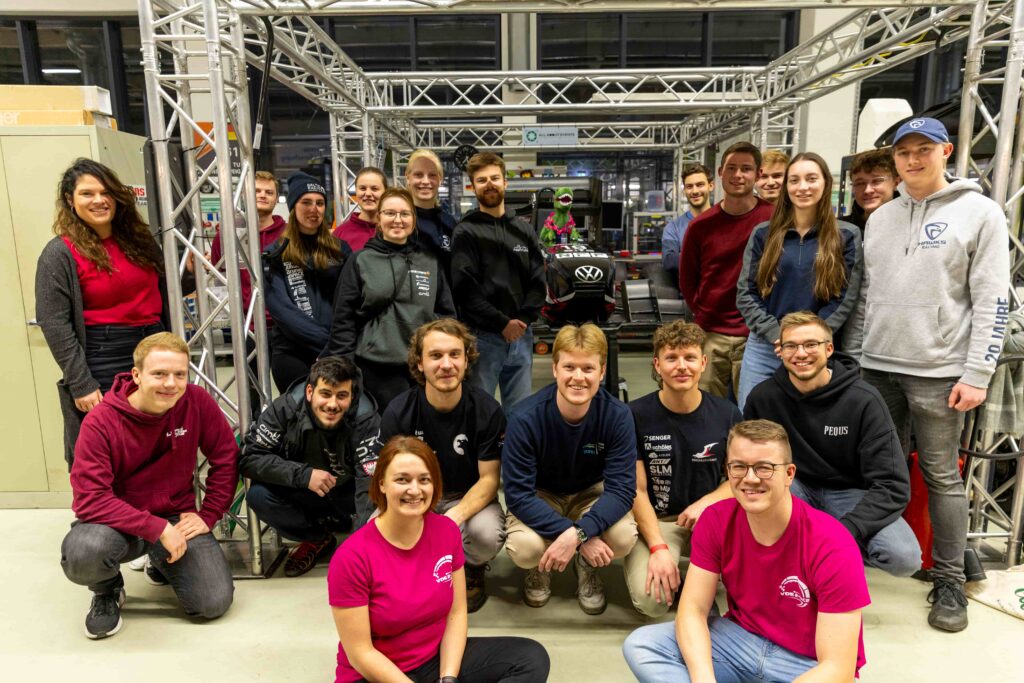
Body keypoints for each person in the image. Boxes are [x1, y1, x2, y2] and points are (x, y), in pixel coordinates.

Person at [846, 116, 1011, 632]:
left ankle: (949, 581)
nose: (912, 159)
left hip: (940, 372)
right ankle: (879, 560)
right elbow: (869, 297)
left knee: (941, 475)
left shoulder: (980, 213)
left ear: (947, 151)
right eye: (902, 152)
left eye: (923, 149)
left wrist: (978, 372)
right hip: (878, 367)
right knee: (879, 472)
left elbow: (992, 301)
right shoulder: (882, 218)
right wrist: (858, 357)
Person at [623, 420, 870, 682]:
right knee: (642, 645)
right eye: (739, 466)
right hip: (741, 642)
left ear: (789, 474)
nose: (750, 479)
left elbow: (837, 668)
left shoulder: (831, 543)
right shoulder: (716, 521)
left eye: (764, 468)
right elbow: (693, 611)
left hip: (804, 664)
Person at [328, 435, 550, 683]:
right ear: (381, 484)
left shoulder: (446, 531)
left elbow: (456, 613)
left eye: (424, 480)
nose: (414, 490)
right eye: (402, 480)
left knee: (530, 658)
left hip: (434, 661)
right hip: (376, 674)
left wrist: (448, 678)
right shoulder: (352, 557)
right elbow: (361, 653)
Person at [60, 332, 237, 639]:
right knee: (83, 553)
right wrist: (153, 528)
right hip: (116, 522)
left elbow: (226, 456)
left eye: (179, 374)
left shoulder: (196, 402)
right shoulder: (101, 422)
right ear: (137, 375)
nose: (171, 384)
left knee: (212, 602)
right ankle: (107, 590)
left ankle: (162, 560)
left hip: (174, 516)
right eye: (159, 374)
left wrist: (209, 514)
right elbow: (90, 499)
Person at [744, 311, 920, 577]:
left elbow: (892, 485)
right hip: (793, 489)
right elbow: (749, 464)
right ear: (780, 351)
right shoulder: (763, 398)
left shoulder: (864, 401)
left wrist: (846, 530)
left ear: (829, 349)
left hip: (849, 493)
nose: (800, 353)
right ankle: (792, 572)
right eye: (791, 346)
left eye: (811, 345)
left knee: (903, 557)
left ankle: (828, 559)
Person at [36, 158, 168, 467]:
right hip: (102, 356)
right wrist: (81, 383)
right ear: (70, 200)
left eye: (106, 192)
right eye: (87, 193)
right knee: (110, 450)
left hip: (155, 346)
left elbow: (163, 290)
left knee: (158, 442)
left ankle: (154, 513)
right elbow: (54, 322)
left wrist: (189, 271)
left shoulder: (140, 241)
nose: (99, 200)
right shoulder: (60, 253)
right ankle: (106, 515)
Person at [503, 323, 638, 615]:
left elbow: (622, 490)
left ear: (602, 373)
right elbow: (518, 495)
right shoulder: (525, 418)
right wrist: (577, 536)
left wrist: (578, 533)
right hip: (542, 494)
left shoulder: (617, 416)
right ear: (554, 369)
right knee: (524, 549)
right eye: (569, 367)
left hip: (590, 495)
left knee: (624, 538)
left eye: (588, 369)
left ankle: (585, 565)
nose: (578, 377)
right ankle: (542, 565)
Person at [377, 319, 506, 612]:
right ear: (419, 363)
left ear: (466, 359)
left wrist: (453, 516)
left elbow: (488, 480)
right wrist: (418, 512)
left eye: (454, 354)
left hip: (466, 495)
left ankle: (471, 568)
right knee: (375, 527)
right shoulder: (399, 412)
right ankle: (414, 572)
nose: (446, 364)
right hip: (415, 494)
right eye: (435, 356)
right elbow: (389, 479)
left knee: (486, 535)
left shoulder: (486, 410)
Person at [624, 321, 741, 618]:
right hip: (659, 521)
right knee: (652, 603)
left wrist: (708, 501)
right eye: (671, 358)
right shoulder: (634, 415)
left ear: (703, 363)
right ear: (657, 364)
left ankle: (697, 576)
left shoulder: (726, 413)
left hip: (710, 517)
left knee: (752, 581)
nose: (681, 366)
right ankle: (692, 577)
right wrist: (658, 548)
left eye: (690, 358)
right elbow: (636, 490)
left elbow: (739, 478)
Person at [735, 152, 863, 409]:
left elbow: (844, 298)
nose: (802, 187)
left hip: (815, 350)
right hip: (766, 346)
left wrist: (807, 341)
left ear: (825, 183)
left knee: (809, 425)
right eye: (794, 180)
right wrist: (778, 336)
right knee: (752, 422)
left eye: (811, 178)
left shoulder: (846, 235)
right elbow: (746, 293)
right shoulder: (763, 234)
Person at [240, 357, 380, 577]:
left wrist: (362, 548)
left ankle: (352, 530)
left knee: (383, 488)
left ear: (352, 397)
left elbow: (369, 483)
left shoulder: (366, 418)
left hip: (348, 494)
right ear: (309, 392)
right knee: (258, 495)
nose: (332, 404)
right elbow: (251, 459)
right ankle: (317, 538)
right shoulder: (285, 408)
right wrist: (303, 475)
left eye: (342, 396)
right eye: (325, 394)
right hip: (305, 491)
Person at [325, 187, 455, 410]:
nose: (397, 220)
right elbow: (343, 318)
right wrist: (345, 368)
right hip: (375, 368)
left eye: (405, 214)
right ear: (379, 218)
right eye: (390, 213)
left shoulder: (429, 262)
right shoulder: (361, 261)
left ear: (413, 220)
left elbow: (446, 315)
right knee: (387, 437)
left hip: (423, 368)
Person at [451, 152, 546, 413]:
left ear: (506, 183)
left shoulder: (523, 230)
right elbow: (464, 288)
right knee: (481, 413)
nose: (489, 184)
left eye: (495, 178)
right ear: (473, 187)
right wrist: (501, 323)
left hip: (522, 336)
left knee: (521, 413)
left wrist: (523, 320)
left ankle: (516, 455)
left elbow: (539, 280)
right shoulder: (465, 231)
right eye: (482, 180)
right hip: (483, 338)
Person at [679, 141, 774, 399]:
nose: (738, 175)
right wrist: (704, 310)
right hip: (711, 334)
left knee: (754, 414)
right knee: (708, 412)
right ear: (720, 173)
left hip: (757, 335)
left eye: (746, 168)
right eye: (731, 168)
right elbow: (688, 279)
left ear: (758, 174)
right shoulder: (700, 227)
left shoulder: (774, 220)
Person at [264, 172, 352, 393]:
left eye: (320, 203)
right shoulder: (275, 254)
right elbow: (282, 311)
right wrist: (327, 343)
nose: (314, 209)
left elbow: (349, 302)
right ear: (294, 206)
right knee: (297, 416)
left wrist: (337, 346)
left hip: (335, 351)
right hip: (292, 353)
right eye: (306, 202)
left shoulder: (340, 250)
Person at [209, 170, 287, 322]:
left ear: (276, 199)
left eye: (269, 192)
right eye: (256, 191)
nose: (263, 195)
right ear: (244, 195)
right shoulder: (227, 236)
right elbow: (220, 278)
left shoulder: (289, 234)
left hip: (286, 322)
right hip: (245, 325)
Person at [406, 149, 458, 282]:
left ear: (440, 180)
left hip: (446, 301)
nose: (425, 181)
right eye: (418, 174)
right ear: (408, 177)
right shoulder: (399, 221)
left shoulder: (449, 223)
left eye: (432, 175)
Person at [662, 163, 715, 287]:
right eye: (689, 186)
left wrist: (688, 257)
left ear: (711, 186)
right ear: (684, 190)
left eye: (700, 185)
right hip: (690, 298)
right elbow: (669, 261)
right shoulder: (674, 227)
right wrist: (714, 255)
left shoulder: (726, 221)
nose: (695, 191)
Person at [843, 147, 899, 232]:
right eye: (860, 183)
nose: (868, 190)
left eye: (876, 181)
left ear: (896, 183)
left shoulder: (913, 226)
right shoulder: (840, 229)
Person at [333, 166, 387, 252]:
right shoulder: (340, 233)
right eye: (362, 188)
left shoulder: (394, 229)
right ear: (356, 192)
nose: (368, 193)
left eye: (374, 188)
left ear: (385, 192)